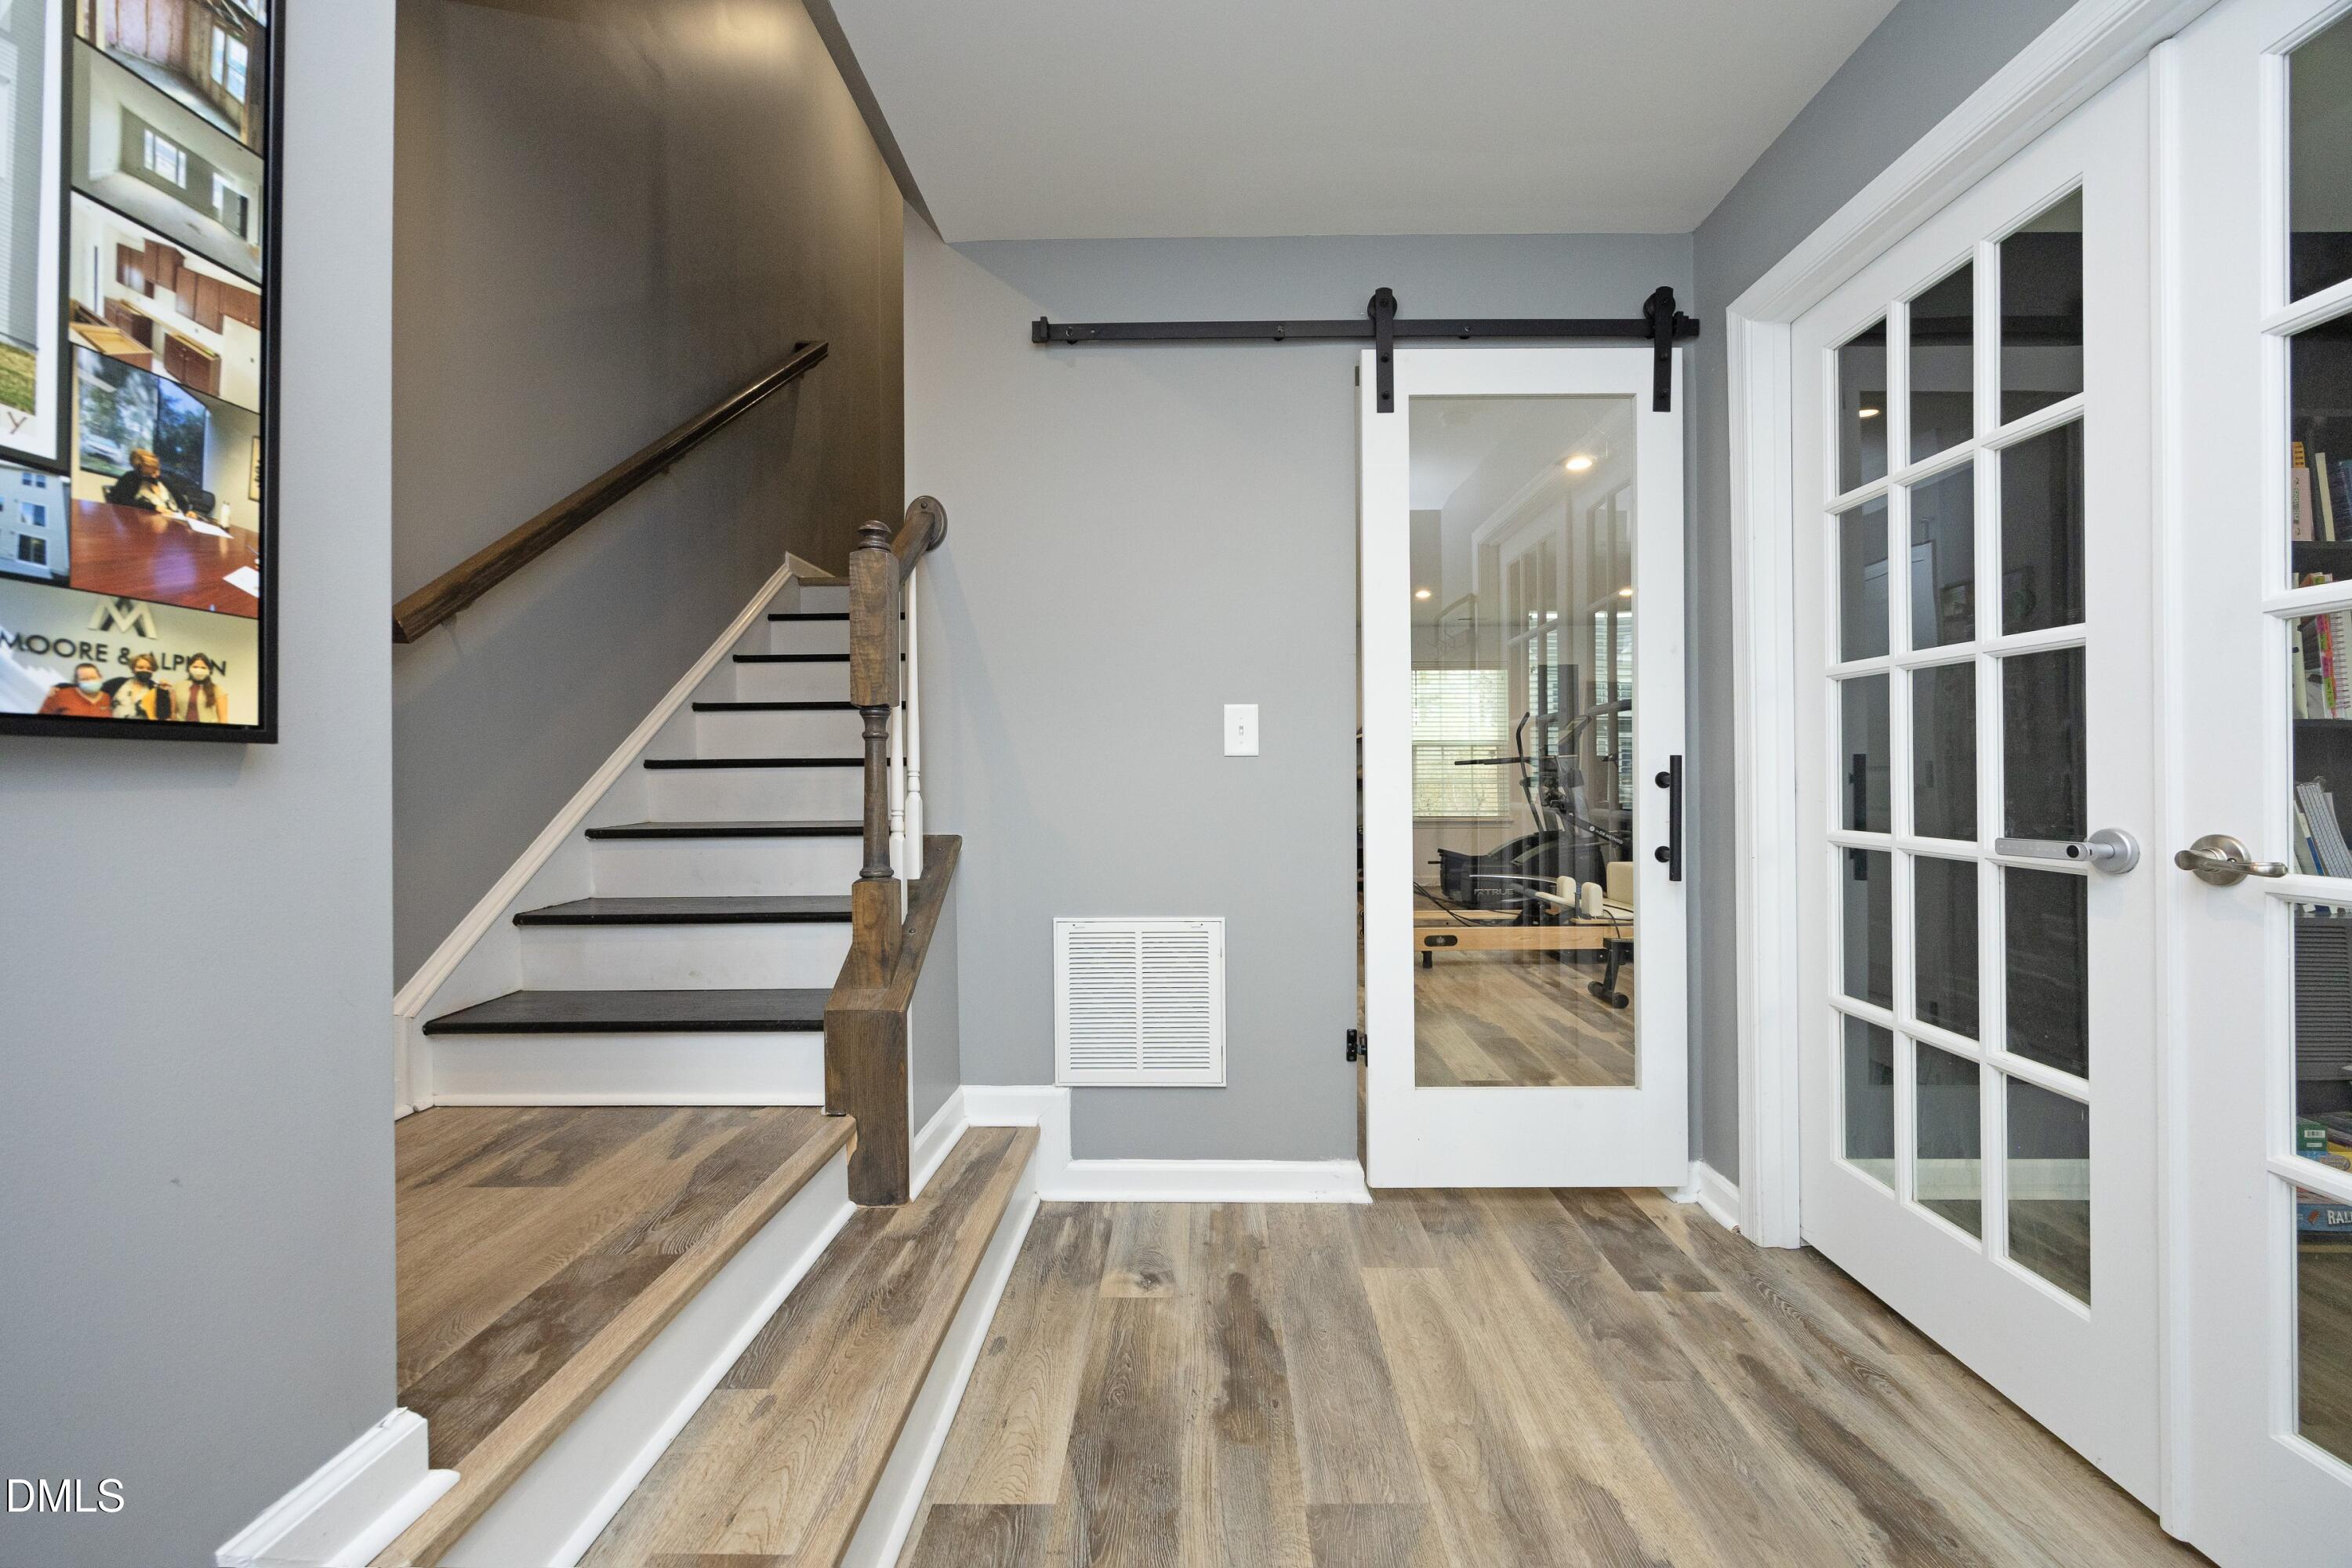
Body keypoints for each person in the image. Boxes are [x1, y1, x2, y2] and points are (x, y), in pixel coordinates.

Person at [104, 449, 195, 514]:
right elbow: (123, 501)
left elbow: (180, 499)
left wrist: (187, 511)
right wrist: (154, 508)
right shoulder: (130, 478)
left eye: (157, 467)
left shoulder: (162, 479)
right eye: (152, 469)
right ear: (141, 468)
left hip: (173, 520)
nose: (157, 472)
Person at [105, 652, 173, 720]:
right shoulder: (116, 683)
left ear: (153, 671)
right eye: (140, 667)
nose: (145, 670)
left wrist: (163, 693)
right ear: (133, 668)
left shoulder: (156, 690)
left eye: (149, 668)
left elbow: (163, 716)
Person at [36, 662, 111, 717]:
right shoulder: (60, 695)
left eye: (94, 678)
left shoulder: (108, 697)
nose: (90, 681)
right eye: (84, 679)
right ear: (77, 681)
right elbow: (40, 722)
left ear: (100, 677)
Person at [177, 652, 228, 724]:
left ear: (209, 670)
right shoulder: (178, 687)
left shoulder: (217, 689)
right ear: (189, 668)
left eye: (203, 668)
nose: (199, 670)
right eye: (195, 667)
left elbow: (223, 719)